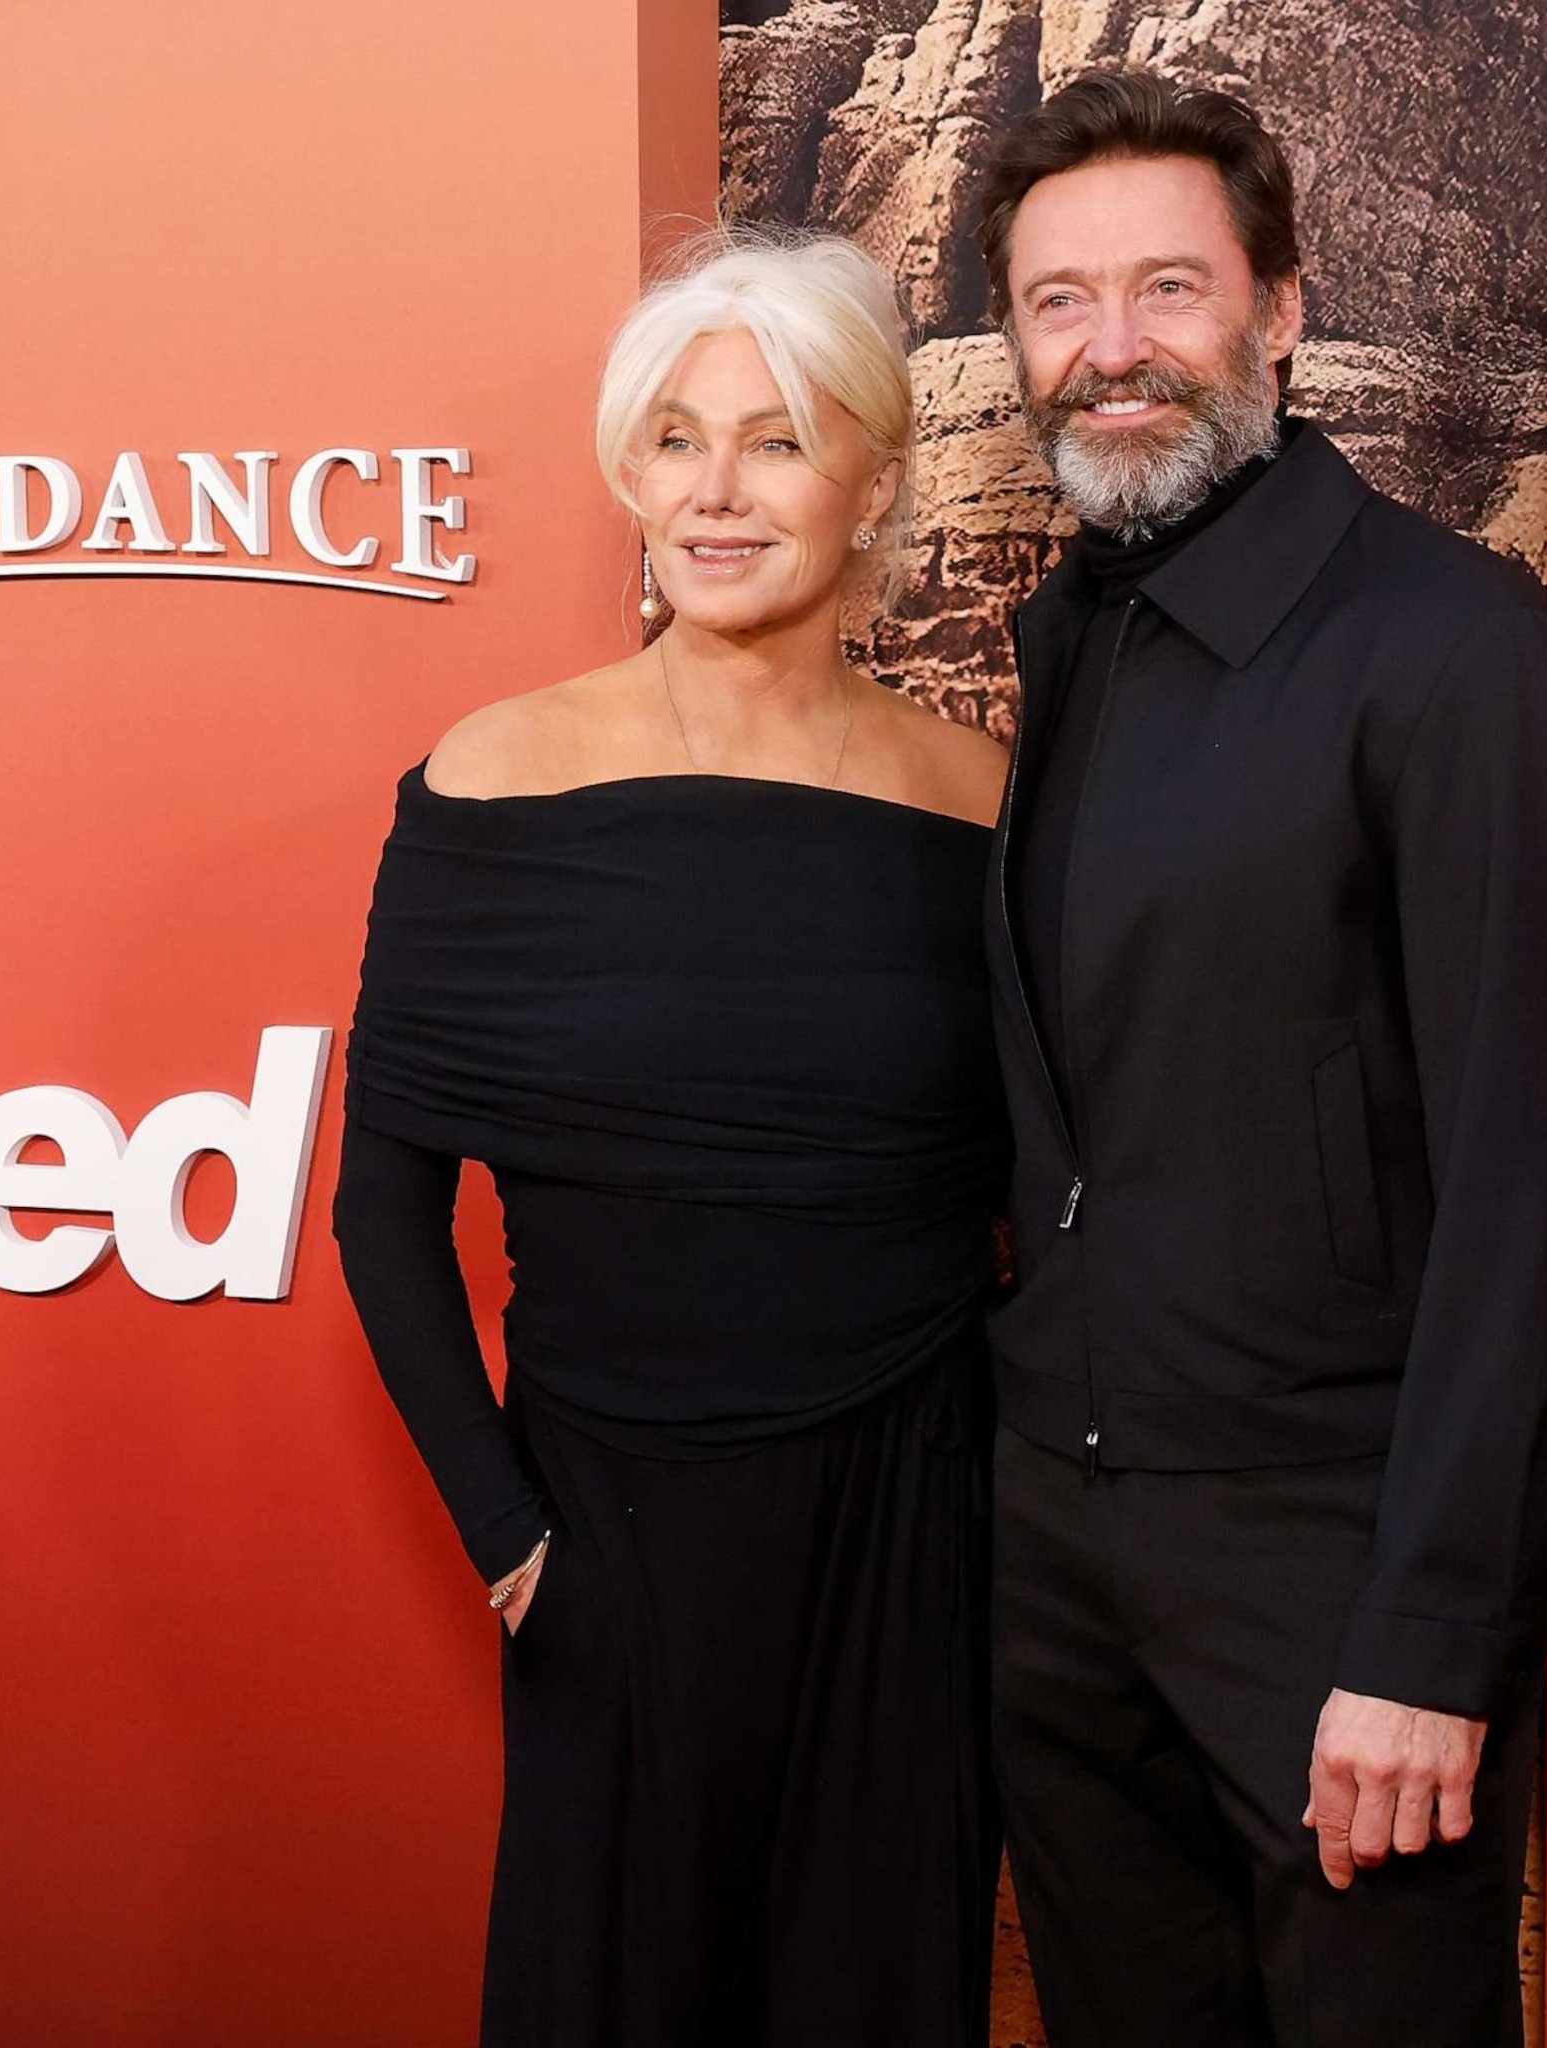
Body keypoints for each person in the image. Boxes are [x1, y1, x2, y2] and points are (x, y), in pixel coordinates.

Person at [966, 72, 1547, 2047]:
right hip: (1067, 1572)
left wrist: (1434, 1638)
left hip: (1334, 1580)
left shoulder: (1464, 658)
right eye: (1060, 301)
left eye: (1169, 288)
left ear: (1279, 307)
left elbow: (1536, 1191)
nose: (1114, 352)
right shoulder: (1072, 640)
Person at [330, 231, 1012, 2048]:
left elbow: (1054, 1194)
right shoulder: (496, 785)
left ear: (874, 478)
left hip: (910, 1530)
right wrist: (509, 1538)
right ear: (628, 473)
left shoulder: (984, 803)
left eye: (779, 440)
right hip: (607, 1537)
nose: (719, 493)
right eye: (678, 441)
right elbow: (381, 1214)